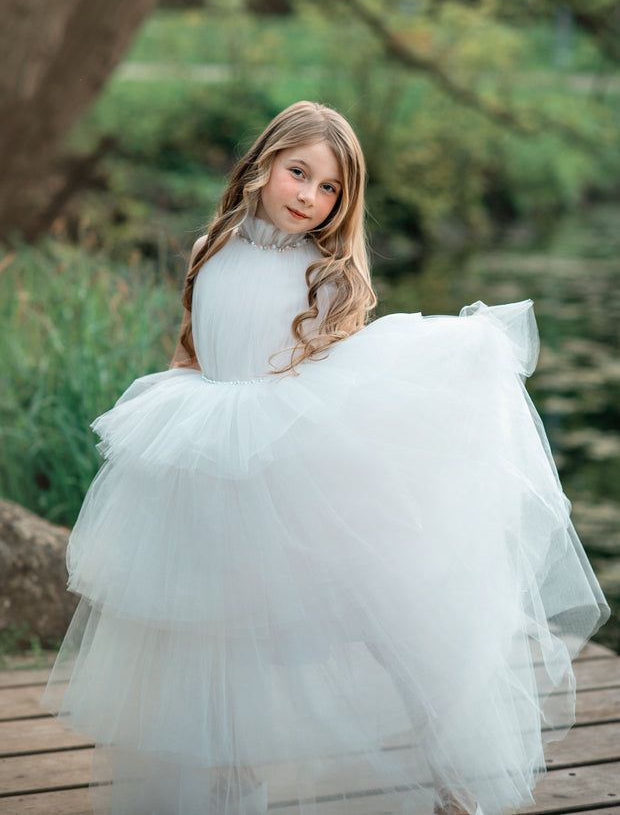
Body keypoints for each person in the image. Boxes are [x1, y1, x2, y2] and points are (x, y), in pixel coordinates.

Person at [43, 101, 609, 815]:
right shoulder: (207, 250)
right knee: (216, 632)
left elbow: (342, 379)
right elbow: (191, 349)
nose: (309, 196)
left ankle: (451, 779)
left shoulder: (328, 276)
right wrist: (178, 424)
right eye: (299, 173)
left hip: (292, 467)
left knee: (379, 615)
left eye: (329, 188)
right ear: (263, 165)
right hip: (208, 458)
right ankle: (229, 786)